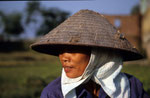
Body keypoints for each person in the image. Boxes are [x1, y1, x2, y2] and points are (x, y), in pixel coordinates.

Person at [31, 10, 150, 98]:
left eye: (72, 49)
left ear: (98, 54)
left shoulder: (131, 86)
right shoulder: (54, 93)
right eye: (60, 50)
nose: (63, 58)